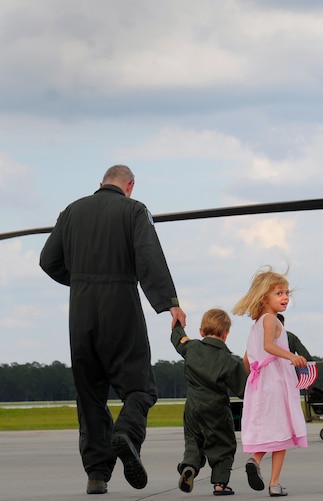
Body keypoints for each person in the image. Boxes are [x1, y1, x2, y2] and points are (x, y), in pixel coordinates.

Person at [39, 164, 186, 495]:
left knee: (90, 394)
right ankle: (127, 434)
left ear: (100, 183)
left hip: (81, 311)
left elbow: (48, 261)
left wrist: (79, 281)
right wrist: (169, 302)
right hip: (120, 305)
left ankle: (97, 474)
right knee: (140, 388)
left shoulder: (71, 212)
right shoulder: (134, 210)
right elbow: (149, 256)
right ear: (130, 186)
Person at [233, 267, 308, 497]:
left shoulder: (256, 323)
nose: (285, 297)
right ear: (264, 297)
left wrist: (253, 377)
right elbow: (268, 346)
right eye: (279, 293)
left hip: (260, 382)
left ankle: (255, 461)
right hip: (274, 381)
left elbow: (248, 358)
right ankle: (274, 483)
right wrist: (292, 356)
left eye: (286, 293)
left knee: (269, 430)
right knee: (282, 430)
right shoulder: (270, 320)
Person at [171, 309, 248, 496]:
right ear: (226, 334)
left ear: (201, 331)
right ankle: (221, 483)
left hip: (193, 407)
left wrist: (178, 323)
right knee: (224, 444)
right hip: (217, 409)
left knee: (193, 441)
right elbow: (245, 390)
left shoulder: (192, 348)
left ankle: (189, 466)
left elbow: (178, 338)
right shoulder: (229, 361)